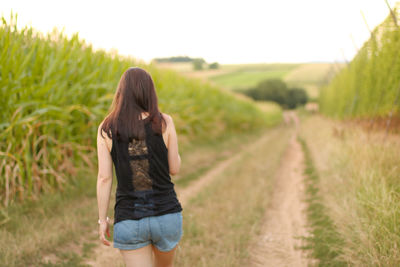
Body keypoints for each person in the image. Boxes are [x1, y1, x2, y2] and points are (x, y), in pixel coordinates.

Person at [96, 67, 183, 267]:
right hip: (166, 215)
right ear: (149, 92)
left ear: (121, 92)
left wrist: (103, 221)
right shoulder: (164, 122)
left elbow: (104, 178)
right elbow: (174, 168)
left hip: (129, 218)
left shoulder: (106, 128)